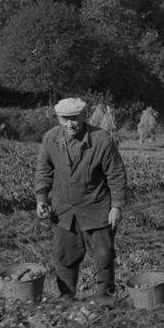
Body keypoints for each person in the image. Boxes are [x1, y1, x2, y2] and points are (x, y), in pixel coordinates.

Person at [34, 97, 128, 301]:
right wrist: (42, 198)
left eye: (74, 119)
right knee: (64, 255)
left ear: (84, 116)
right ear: (58, 118)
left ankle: (106, 296)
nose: (70, 124)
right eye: (64, 119)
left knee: (104, 254)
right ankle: (66, 296)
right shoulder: (51, 138)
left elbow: (116, 174)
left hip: (97, 207)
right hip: (64, 210)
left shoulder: (101, 138)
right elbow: (44, 169)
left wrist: (116, 206)